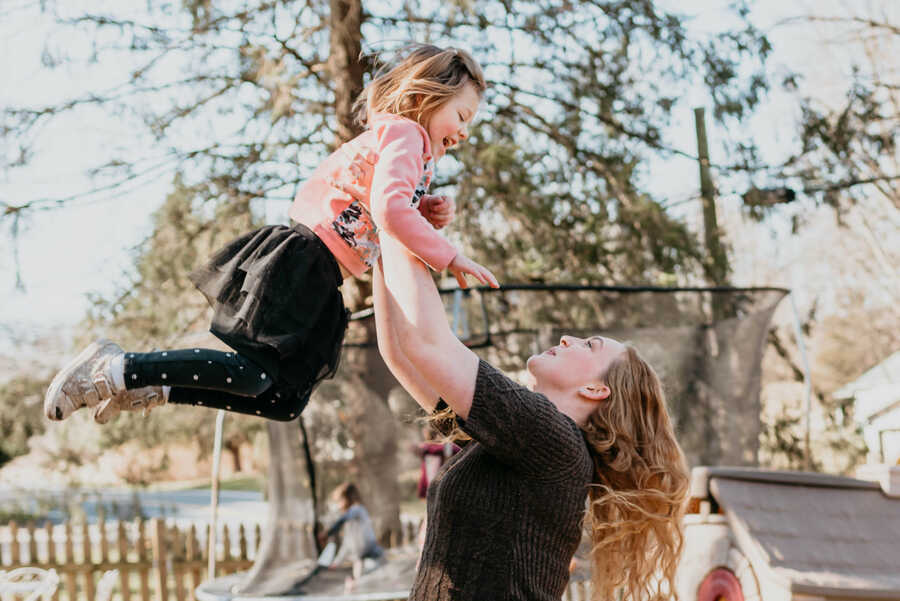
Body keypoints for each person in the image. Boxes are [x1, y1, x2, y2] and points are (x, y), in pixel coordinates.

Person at [43, 44, 497, 425]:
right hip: (305, 261)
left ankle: (157, 387)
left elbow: (388, 206)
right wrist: (447, 254)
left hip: (325, 278)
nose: (464, 131)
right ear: (426, 96)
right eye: (461, 115)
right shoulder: (407, 135)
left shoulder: (405, 145)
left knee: (283, 400)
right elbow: (388, 208)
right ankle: (118, 369)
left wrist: (425, 211)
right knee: (253, 373)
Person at [372, 234, 690, 601]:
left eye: (590, 345)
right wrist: (383, 240)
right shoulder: (510, 439)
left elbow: (427, 344)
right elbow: (400, 352)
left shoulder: (554, 440)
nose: (569, 337)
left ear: (595, 390)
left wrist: (397, 215)